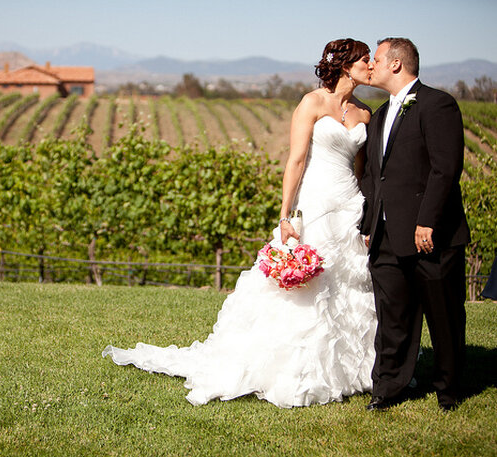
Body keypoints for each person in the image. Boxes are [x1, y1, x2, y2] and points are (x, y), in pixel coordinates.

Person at [103, 39, 377, 408]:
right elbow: (295, 161)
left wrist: (364, 215)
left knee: (348, 284)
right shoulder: (311, 103)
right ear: (346, 66)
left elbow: (362, 171)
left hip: (349, 206)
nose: (371, 64)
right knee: (307, 288)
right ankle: (298, 369)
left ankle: (350, 368)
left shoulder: (365, 113)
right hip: (314, 204)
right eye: (364, 60)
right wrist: (285, 214)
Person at [361, 38, 470, 412]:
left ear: (395, 64)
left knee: (444, 317)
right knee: (392, 319)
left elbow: (445, 168)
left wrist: (427, 221)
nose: (369, 66)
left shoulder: (437, 104)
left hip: (431, 235)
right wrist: (368, 223)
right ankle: (388, 388)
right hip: (387, 237)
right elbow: (376, 177)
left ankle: (449, 390)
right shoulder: (378, 116)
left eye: (375, 60)